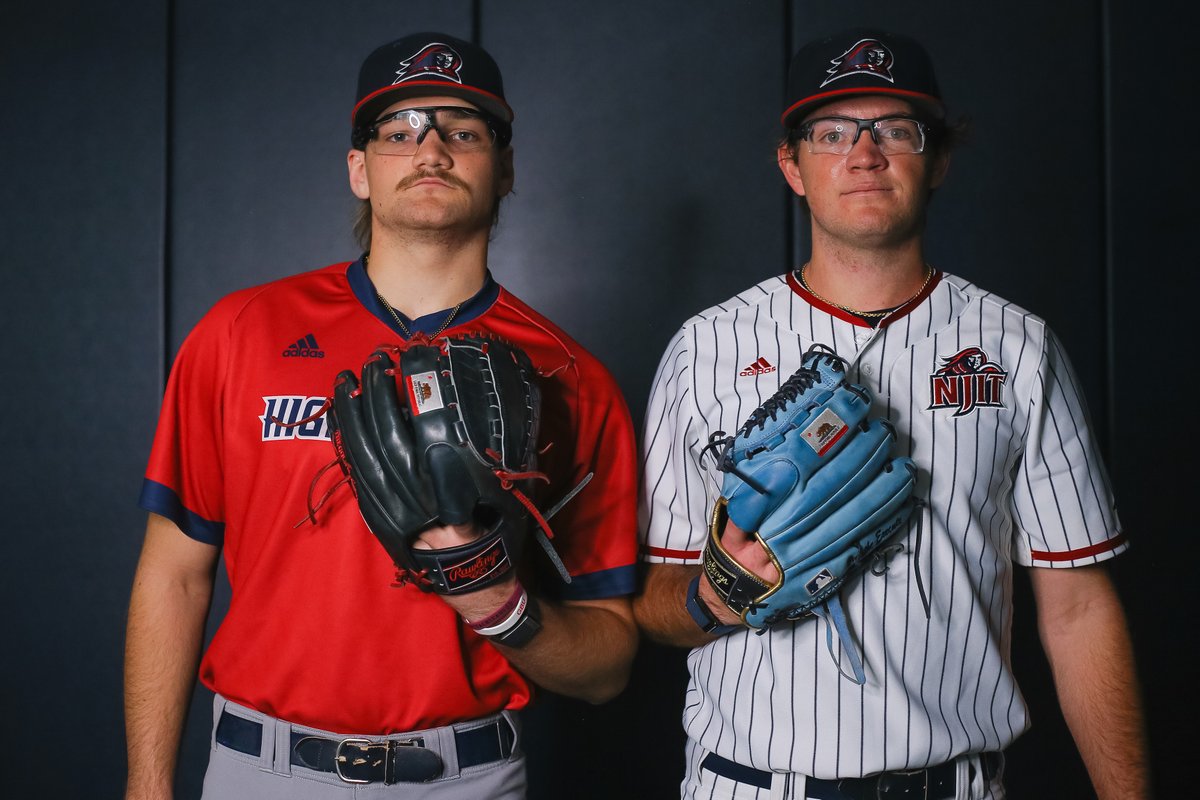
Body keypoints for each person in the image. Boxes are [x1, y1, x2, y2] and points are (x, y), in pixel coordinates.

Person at [633, 28, 1148, 800]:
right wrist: (715, 596)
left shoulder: (1019, 348)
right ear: (792, 166)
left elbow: (1077, 609)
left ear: (937, 159)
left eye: (894, 131)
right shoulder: (705, 348)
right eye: (832, 132)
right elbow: (651, 601)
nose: (863, 154)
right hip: (753, 785)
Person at [124, 32, 639, 800]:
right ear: (360, 171)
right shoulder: (239, 333)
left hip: (467, 776)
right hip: (262, 770)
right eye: (399, 131)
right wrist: (147, 783)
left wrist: (500, 605)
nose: (430, 146)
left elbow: (608, 670)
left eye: (464, 131)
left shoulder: (573, 378)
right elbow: (174, 573)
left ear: (505, 169)